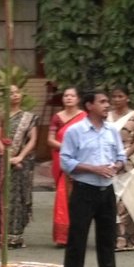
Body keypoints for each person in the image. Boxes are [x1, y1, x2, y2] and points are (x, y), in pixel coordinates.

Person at [55, 89, 126, 267]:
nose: (107, 105)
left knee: (107, 240)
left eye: (107, 102)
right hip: (83, 191)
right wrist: (93, 169)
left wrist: (116, 166)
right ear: (89, 106)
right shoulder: (75, 131)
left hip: (106, 192)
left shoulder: (111, 130)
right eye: (102, 102)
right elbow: (66, 161)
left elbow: (121, 156)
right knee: (77, 241)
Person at [0, 85, 38, 249]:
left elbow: (32, 140)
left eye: (17, 92)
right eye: (11, 93)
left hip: (22, 165)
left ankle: (17, 237)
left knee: (20, 199)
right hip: (5, 163)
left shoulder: (29, 118)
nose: (15, 95)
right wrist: (8, 158)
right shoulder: (0, 117)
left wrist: (20, 157)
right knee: (5, 199)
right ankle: (4, 237)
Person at [108, 87, 134, 252]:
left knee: (127, 200)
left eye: (120, 96)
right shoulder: (107, 116)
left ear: (127, 98)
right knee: (112, 201)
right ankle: (113, 237)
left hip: (129, 164)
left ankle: (129, 239)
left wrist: (122, 157)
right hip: (108, 163)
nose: (117, 99)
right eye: (114, 96)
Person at [47, 87, 86, 246]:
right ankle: (62, 237)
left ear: (78, 99)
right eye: (66, 95)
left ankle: (77, 235)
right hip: (62, 161)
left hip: (80, 161)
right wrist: (67, 149)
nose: (69, 98)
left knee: (79, 198)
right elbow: (50, 140)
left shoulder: (84, 117)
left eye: (72, 95)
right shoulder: (57, 117)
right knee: (63, 197)